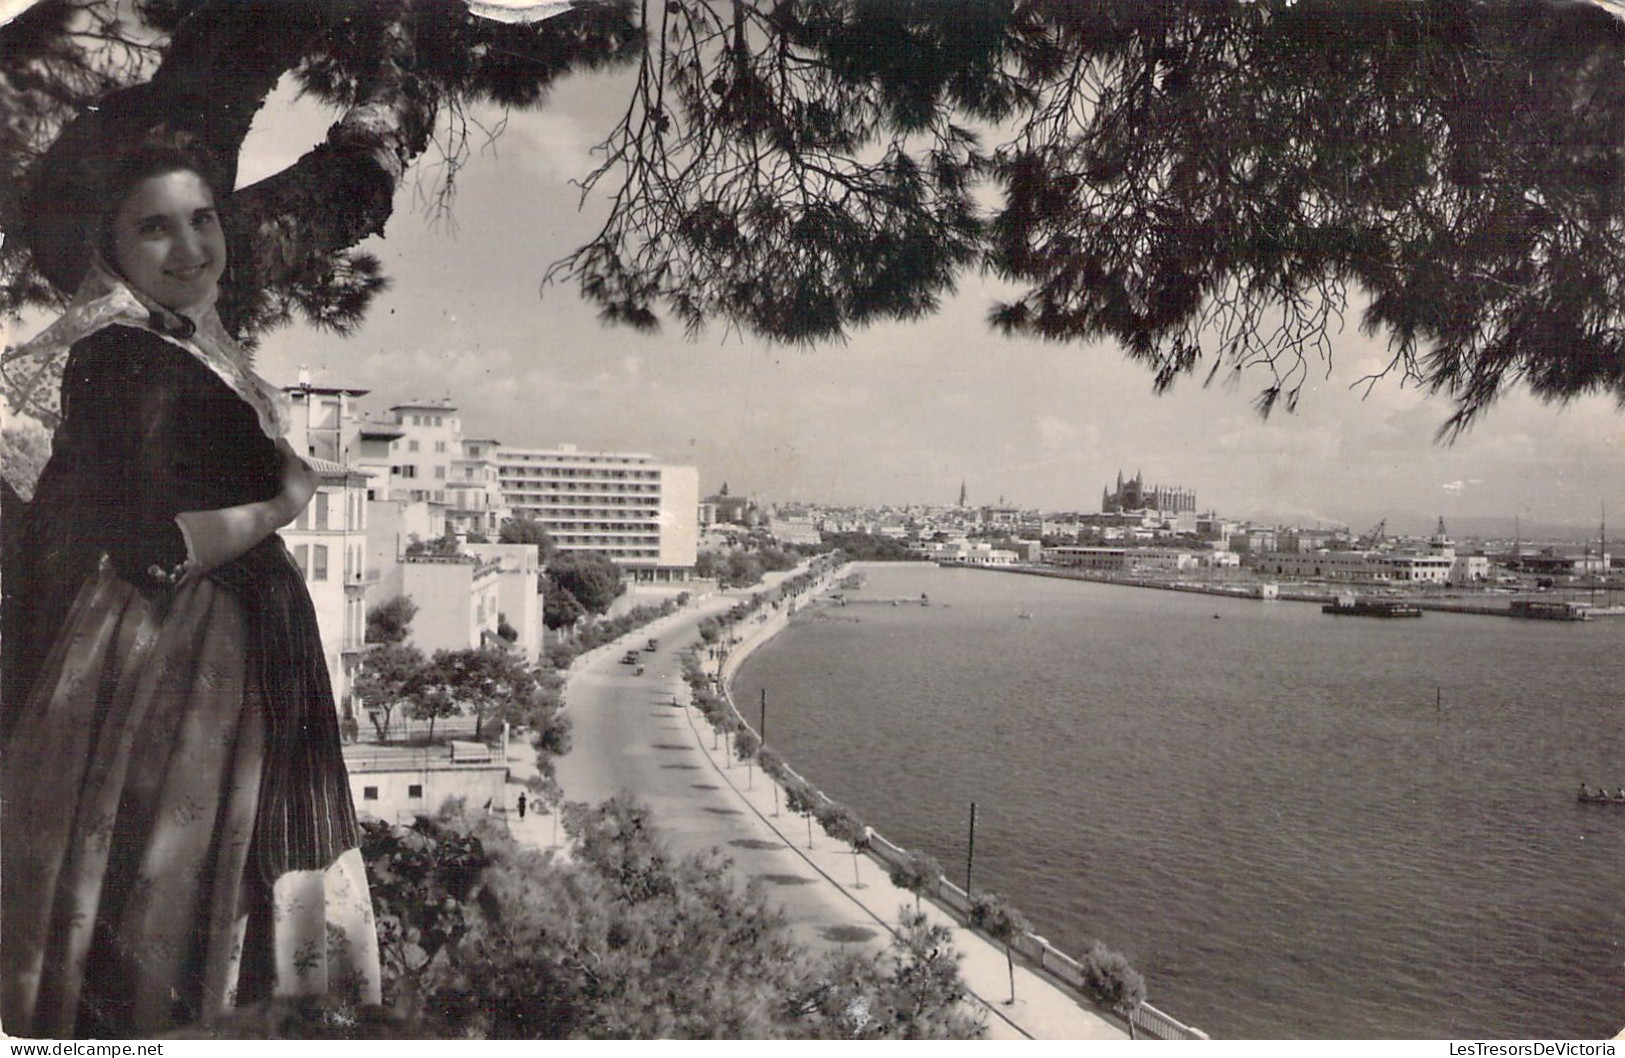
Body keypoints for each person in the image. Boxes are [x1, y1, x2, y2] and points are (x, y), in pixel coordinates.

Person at [1, 102, 380, 1038]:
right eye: (154, 228)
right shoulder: (118, 353)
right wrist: (285, 502)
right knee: (186, 920)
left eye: (202, 218)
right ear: (111, 247)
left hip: (222, 664)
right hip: (180, 677)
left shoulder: (175, 344)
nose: (188, 247)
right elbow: (154, 545)